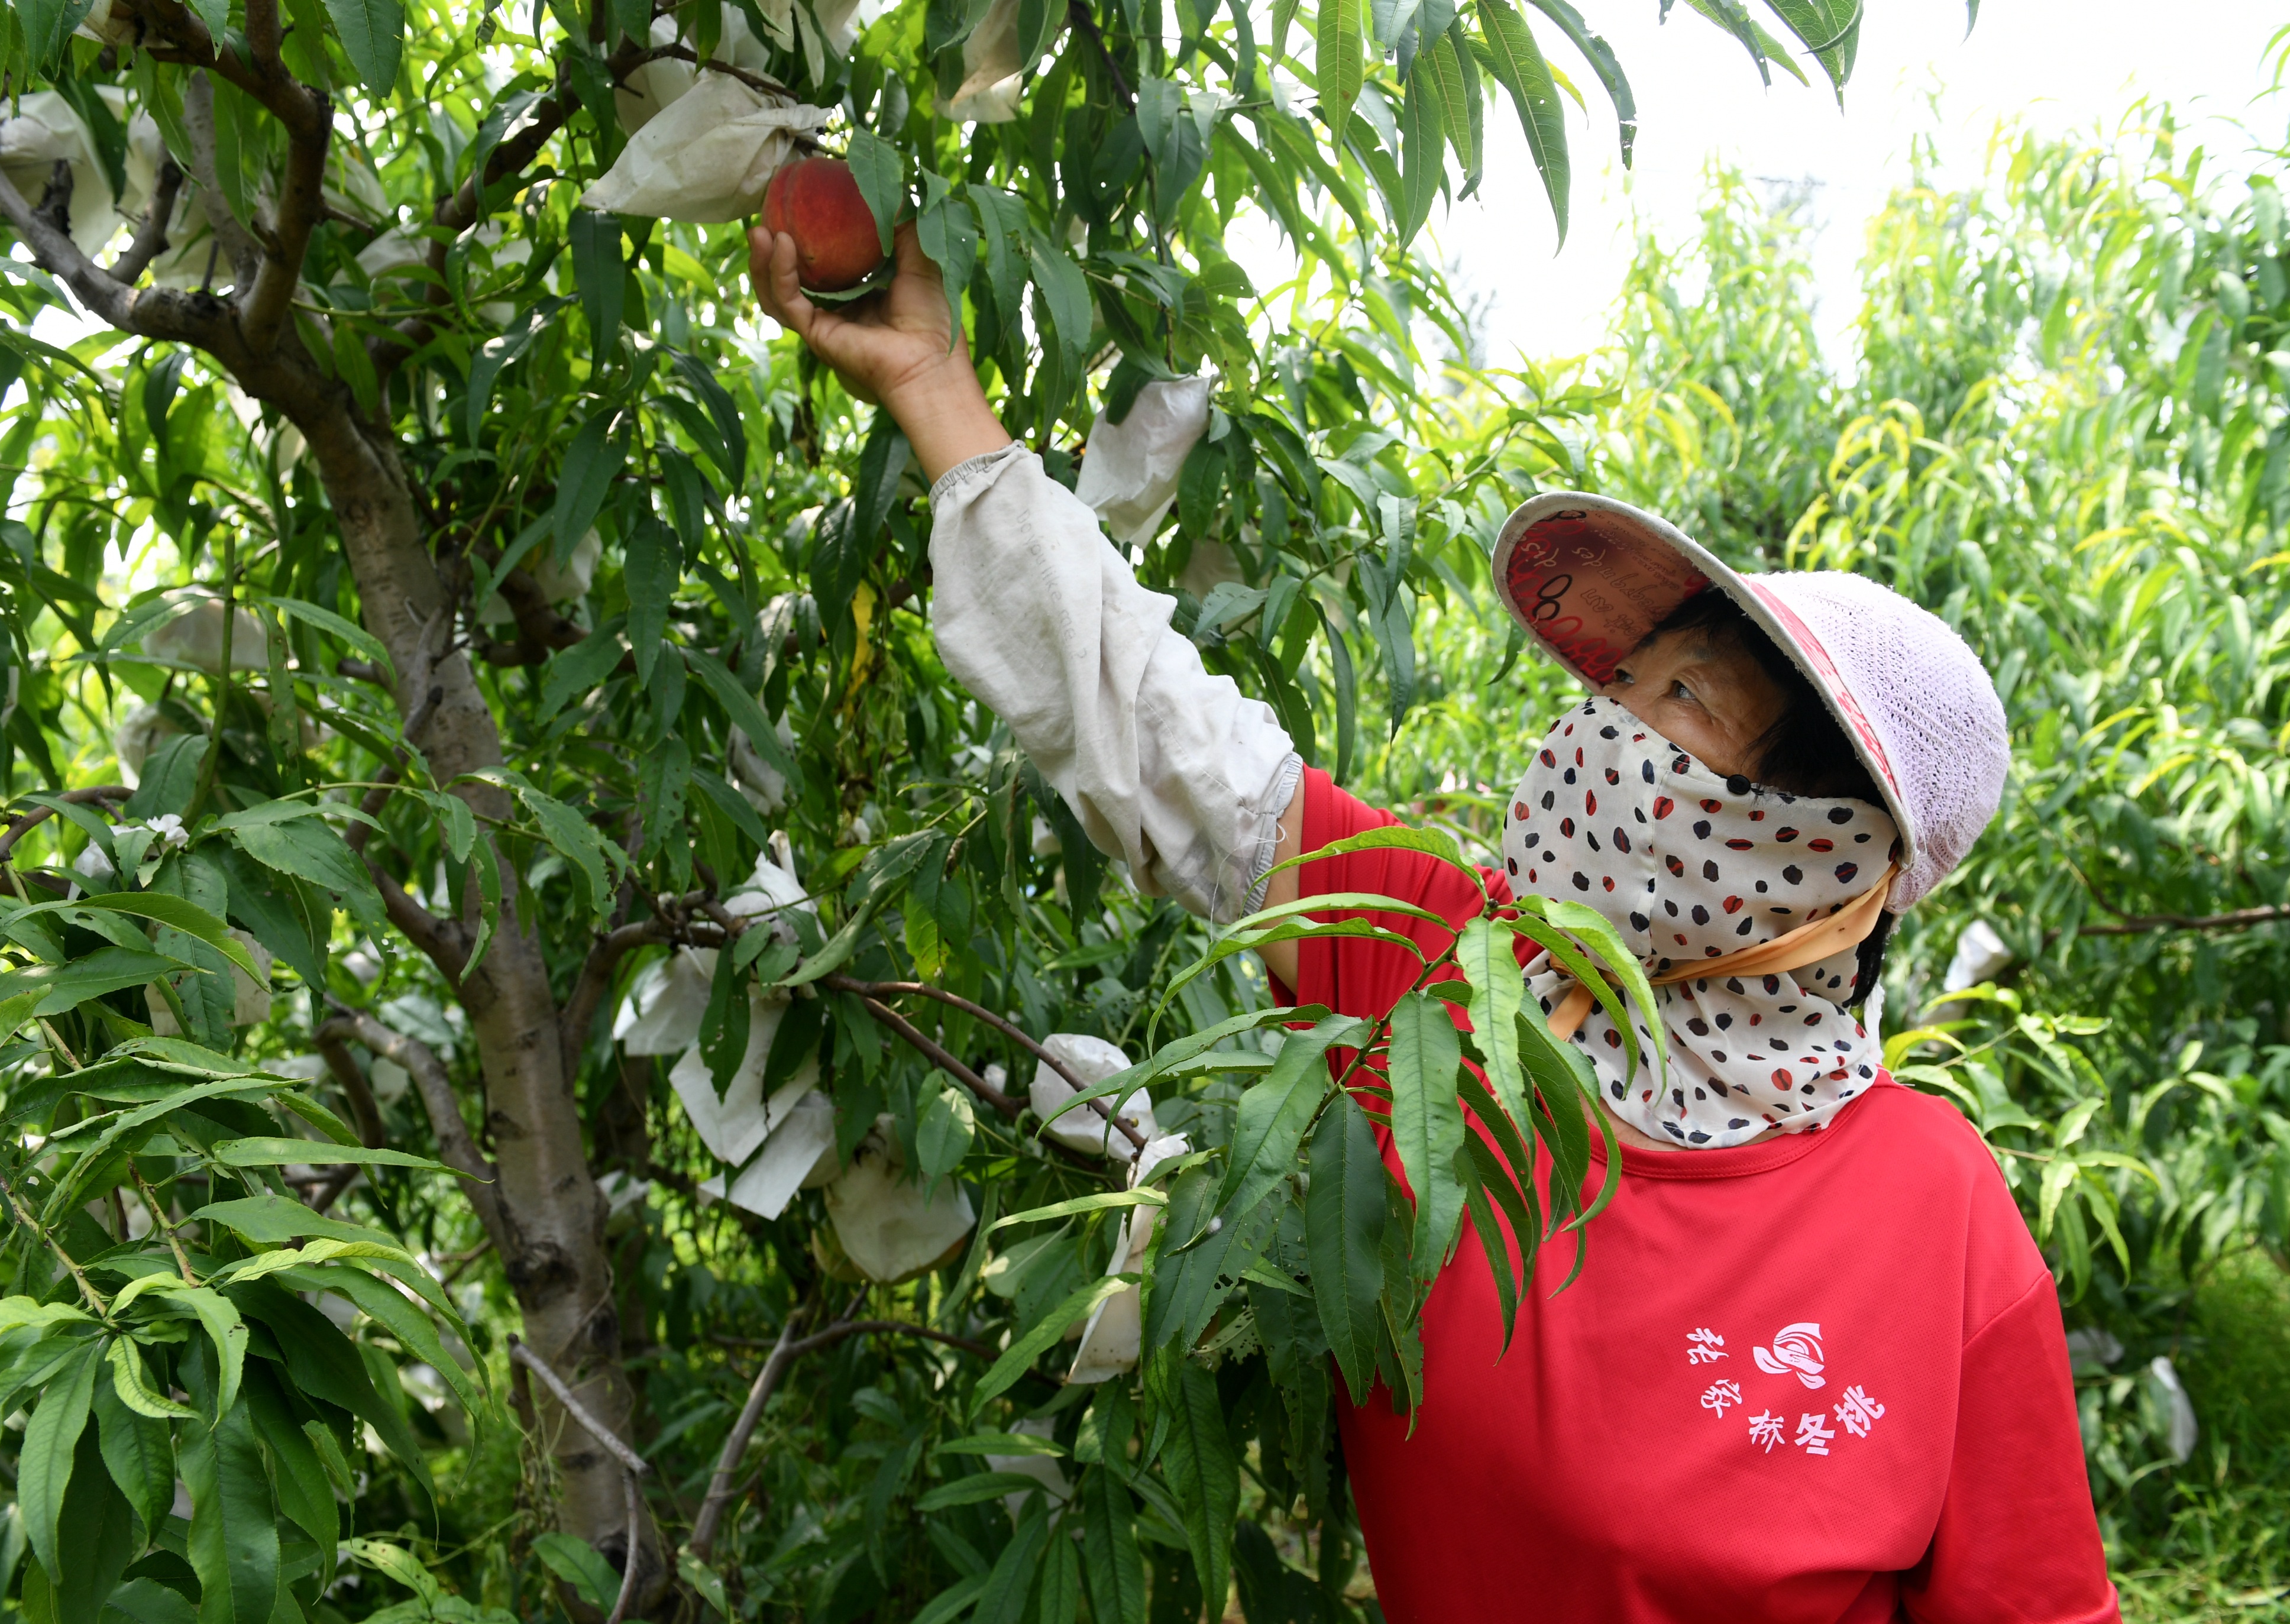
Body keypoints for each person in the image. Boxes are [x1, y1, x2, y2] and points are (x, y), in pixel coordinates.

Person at [749, 224, 2120, 1623]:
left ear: (1826, 852)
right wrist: (933, 386)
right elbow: (1152, 730)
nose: (1608, 730)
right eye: (1621, 683)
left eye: (1685, 700)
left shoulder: (1935, 1213)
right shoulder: (1443, 976)